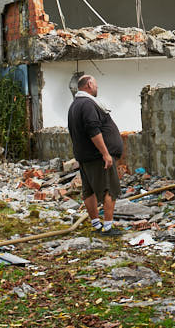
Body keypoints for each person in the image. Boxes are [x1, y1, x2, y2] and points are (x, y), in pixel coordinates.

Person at [67, 74, 124, 236]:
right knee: (109, 189)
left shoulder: (75, 105)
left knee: (89, 190)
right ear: (89, 84)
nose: (97, 88)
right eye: (96, 84)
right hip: (97, 157)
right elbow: (93, 130)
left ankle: (96, 224)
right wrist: (105, 154)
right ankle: (107, 227)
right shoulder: (87, 104)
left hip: (85, 156)